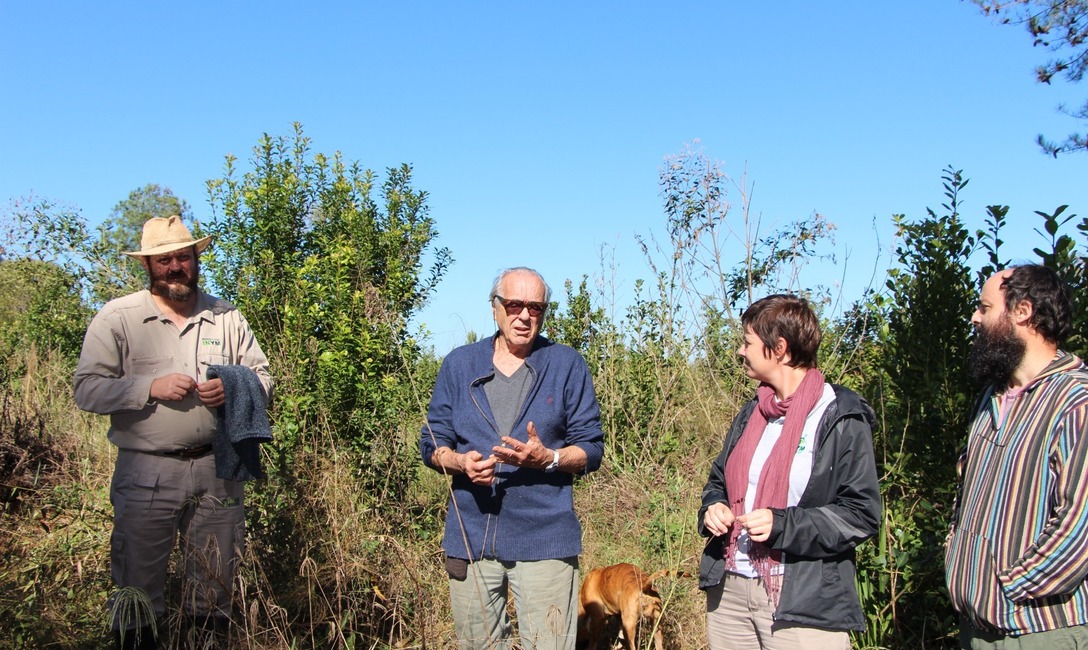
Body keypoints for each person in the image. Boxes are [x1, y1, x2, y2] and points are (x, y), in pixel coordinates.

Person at [74, 216, 273, 650]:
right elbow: (86, 389)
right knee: (136, 592)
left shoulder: (226, 316)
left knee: (214, 587)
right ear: (148, 265)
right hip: (147, 472)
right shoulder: (119, 318)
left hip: (218, 468)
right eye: (163, 259)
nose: (175, 266)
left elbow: (263, 376)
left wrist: (236, 386)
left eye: (183, 256)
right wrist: (148, 387)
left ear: (196, 258)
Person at [420, 267, 605, 650]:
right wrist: (459, 463)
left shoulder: (566, 364)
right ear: (495, 308)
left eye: (535, 307)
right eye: (515, 304)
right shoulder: (460, 364)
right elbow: (432, 442)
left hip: (545, 538)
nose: (524, 316)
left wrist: (548, 458)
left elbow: (591, 448)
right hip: (472, 537)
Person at [697, 294, 881, 649]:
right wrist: (713, 507)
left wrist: (783, 525)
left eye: (747, 342)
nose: (740, 351)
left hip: (803, 602)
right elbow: (718, 480)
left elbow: (860, 514)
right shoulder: (753, 412)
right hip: (731, 591)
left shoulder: (840, 416)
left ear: (778, 348)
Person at [945, 265, 1088, 647]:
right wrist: (958, 562)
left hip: (1042, 630)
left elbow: (1079, 527)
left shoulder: (1077, 401)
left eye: (984, 307)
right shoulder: (991, 397)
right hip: (977, 627)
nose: (975, 317)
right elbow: (966, 492)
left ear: (1022, 311)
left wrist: (1008, 586)